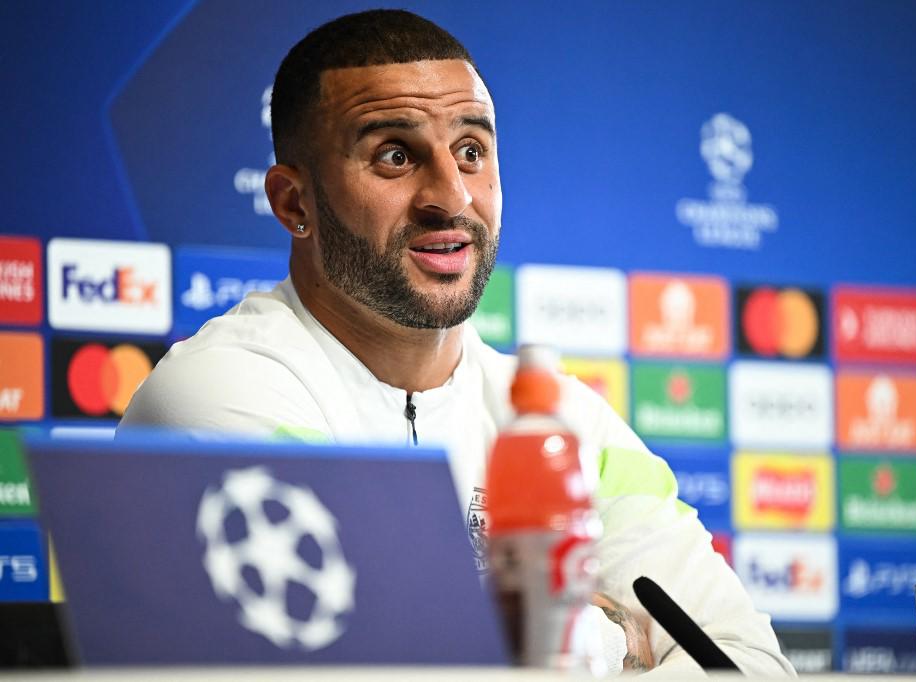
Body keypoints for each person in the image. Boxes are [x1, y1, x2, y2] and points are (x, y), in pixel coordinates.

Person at [119, 9, 794, 677]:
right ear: (295, 203)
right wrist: (611, 636)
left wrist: (517, 639)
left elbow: (747, 662)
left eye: (471, 151)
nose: (451, 197)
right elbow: (375, 661)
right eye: (394, 156)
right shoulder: (216, 395)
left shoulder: (561, 421)